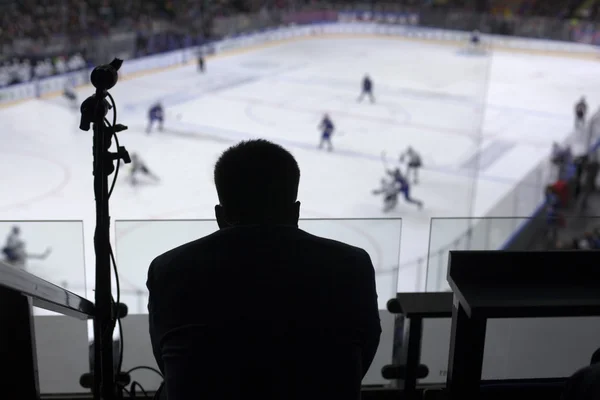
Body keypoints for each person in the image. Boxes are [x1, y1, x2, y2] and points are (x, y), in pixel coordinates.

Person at [147, 139, 381, 400]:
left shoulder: (169, 269)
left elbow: (170, 361)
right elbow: (361, 354)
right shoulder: (352, 264)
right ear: (296, 212)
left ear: (219, 216)